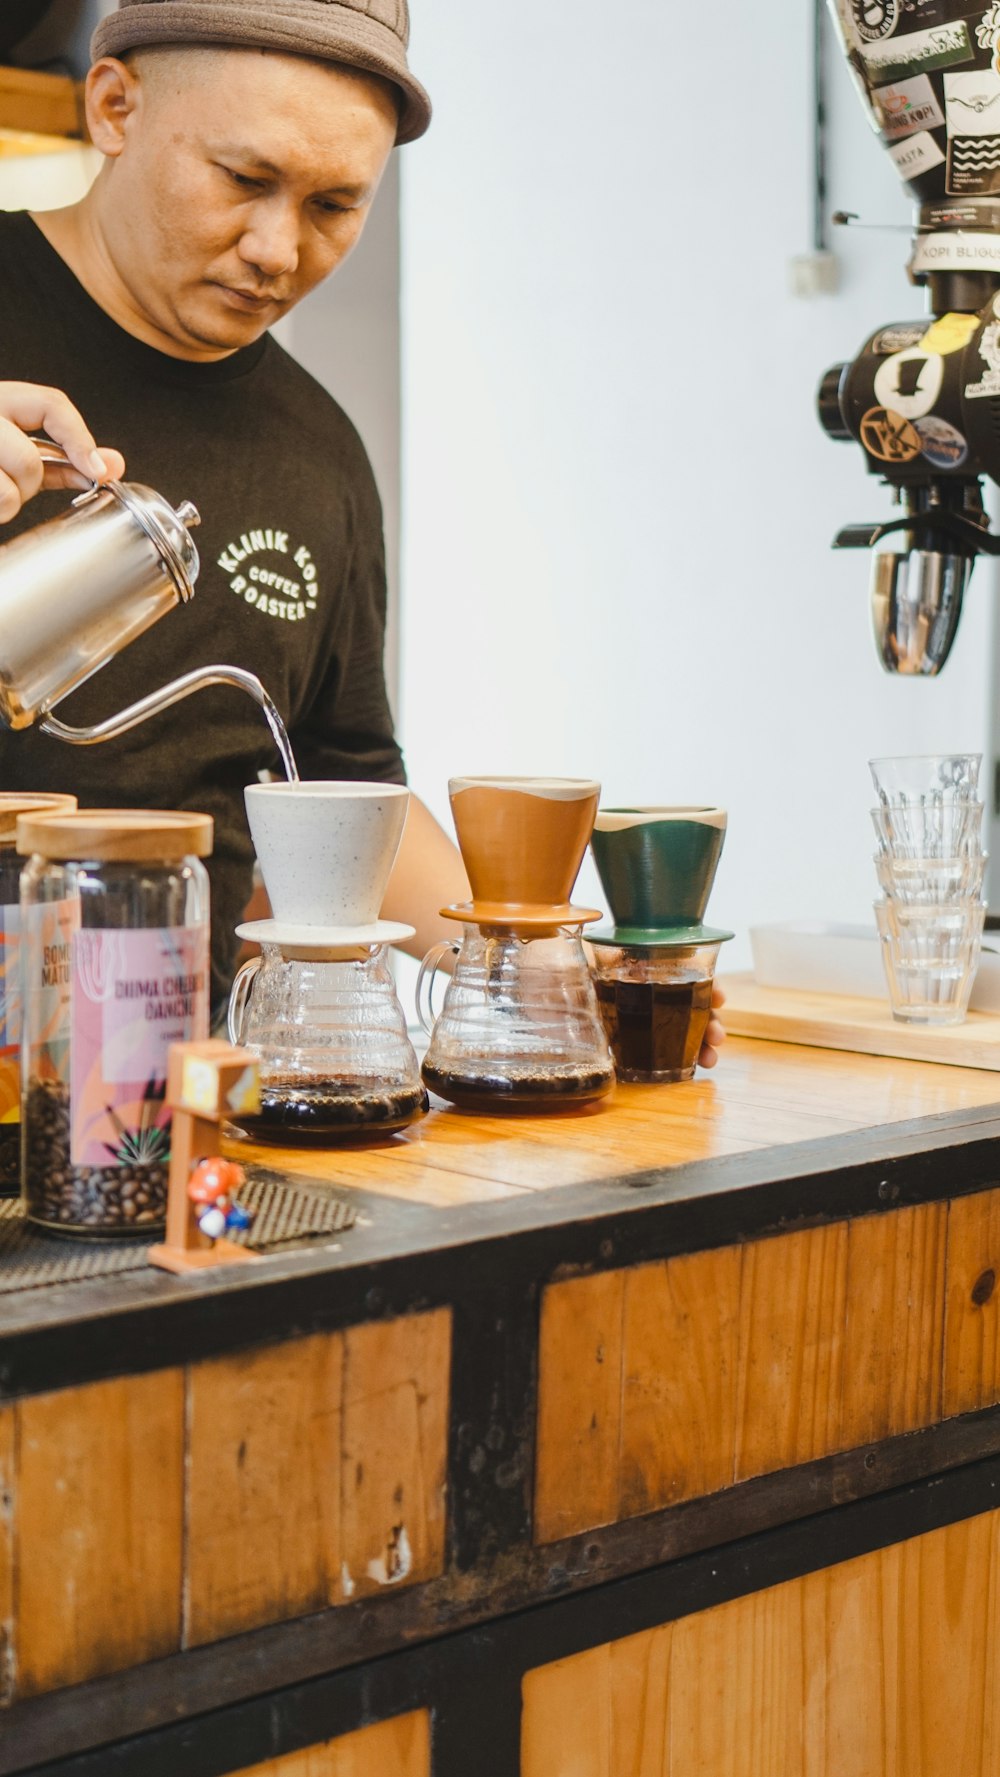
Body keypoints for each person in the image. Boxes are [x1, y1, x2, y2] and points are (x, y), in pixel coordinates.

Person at [0, 0, 725, 1065]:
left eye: (336, 203)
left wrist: (541, 977)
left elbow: (340, 787)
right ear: (114, 106)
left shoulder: (317, 451)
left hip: (149, 1109)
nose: (277, 249)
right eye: (244, 180)